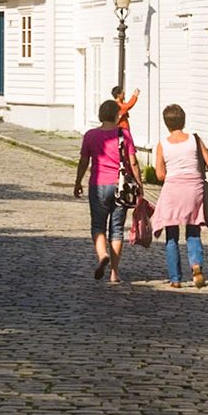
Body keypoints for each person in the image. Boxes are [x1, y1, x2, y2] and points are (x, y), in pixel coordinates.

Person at [151, 103, 208, 289]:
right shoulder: (194, 140)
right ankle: (196, 265)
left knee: (172, 235)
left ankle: (176, 279)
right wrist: (197, 168)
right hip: (194, 189)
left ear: (166, 124)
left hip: (173, 191)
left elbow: (160, 175)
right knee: (193, 230)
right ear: (184, 120)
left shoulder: (162, 144)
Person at [74, 99, 135, 283]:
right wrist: (139, 184)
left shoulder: (90, 135)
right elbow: (132, 162)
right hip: (120, 185)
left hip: (98, 184)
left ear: (101, 115)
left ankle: (102, 255)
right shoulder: (124, 134)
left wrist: (77, 182)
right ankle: (114, 273)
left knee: (98, 225)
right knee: (117, 229)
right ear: (117, 115)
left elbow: (84, 162)